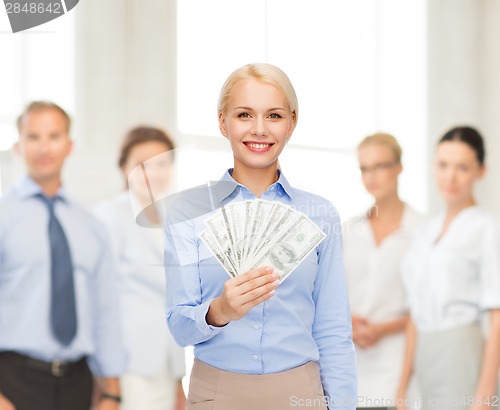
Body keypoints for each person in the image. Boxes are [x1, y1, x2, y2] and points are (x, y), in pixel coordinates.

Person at [164, 63, 357, 410]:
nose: (259, 129)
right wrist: (218, 310)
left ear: (292, 122)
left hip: (301, 393)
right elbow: (179, 326)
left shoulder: (320, 215)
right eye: (244, 114)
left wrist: (344, 405)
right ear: (222, 121)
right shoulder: (186, 212)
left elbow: (333, 332)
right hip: (216, 393)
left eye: (274, 115)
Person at [0, 101, 125, 410]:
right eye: (34, 137)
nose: (44, 147)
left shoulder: (90, 226)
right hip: (13, 381)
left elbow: (105, 309)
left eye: (54, 136)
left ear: (69, 145)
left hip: (78, 384)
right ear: (18, 145)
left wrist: (112, 392)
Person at [397, 126, 500, 410]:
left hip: (463, 352)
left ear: (481, 171)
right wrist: (402, 387)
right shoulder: (424, 233)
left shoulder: (487, 229)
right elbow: (414, 315)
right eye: (443, 165)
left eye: (462, 167)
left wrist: (485, 396)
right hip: (425, 357)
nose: (450, 177)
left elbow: (497, 316)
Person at [95, 126, 186, 410]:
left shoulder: (176, 220)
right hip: (127, 363)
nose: (153, 173)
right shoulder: (108, 218)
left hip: (167, 360)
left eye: (162, 163)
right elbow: (99, 300)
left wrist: (178, 377)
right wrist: (108, 380)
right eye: (142, 165)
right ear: (124, 169)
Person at [343, 133, 423, 409]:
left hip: (398, 369)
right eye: (365, 168)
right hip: (350, 368)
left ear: (399, 167)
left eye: (380, 166)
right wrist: (349, 322)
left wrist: (383, 328)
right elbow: (329, 295)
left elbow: (425, 307)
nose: (371, 176)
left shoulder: (422, 231)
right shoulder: (347, 230)